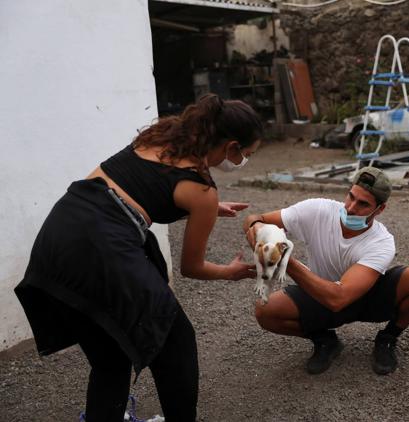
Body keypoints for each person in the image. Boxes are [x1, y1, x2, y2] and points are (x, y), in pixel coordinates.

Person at [14, 94, 263, 421]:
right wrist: (229, 271)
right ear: (231, 147)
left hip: (59, 234)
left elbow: (142, 189)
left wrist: (202, 208)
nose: (243, 160)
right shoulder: (202, 189)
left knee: (110, 358)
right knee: (176, 340)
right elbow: (191, 268)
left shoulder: (161, 136)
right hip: (103, 248)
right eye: (245, 154)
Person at [243, 167, 409, 375]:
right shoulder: (317, 210)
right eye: (351, 196)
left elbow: (339, 298)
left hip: (365, 298)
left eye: (363, 204)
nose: (351, 208)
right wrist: (257, 229)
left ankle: (388, 339)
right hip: (320, 294)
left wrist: (285, 260)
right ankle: (325, 340)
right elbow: (255, 219)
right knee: (265, 311)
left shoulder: (381, 242)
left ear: (380, 209)